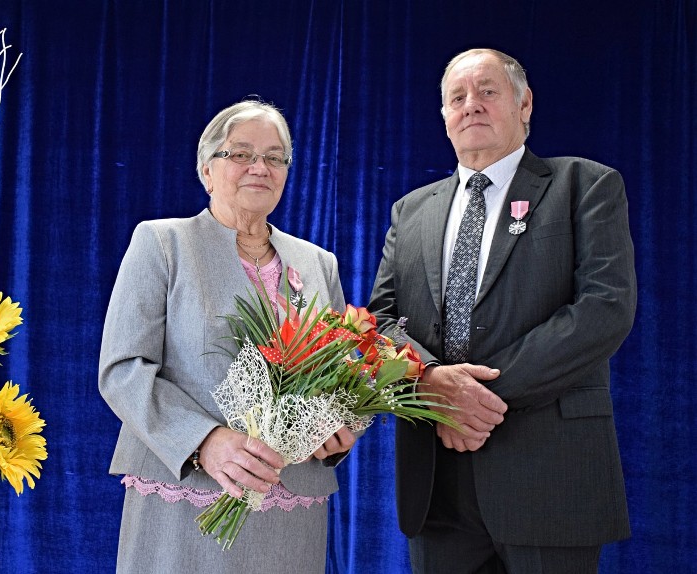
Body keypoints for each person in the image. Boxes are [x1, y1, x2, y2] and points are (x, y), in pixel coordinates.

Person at [368, 48, 636, 573]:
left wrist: (471, 397)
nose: (471, 105)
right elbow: (380, 323)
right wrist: (429, 383)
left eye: (487, 91)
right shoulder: (411, 209)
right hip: (436, 487)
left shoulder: (585, 185)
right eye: (457, 97)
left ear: (524, 103)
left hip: (550, 479)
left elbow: (604, 308)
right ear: (444, 117)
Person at [99, 99, 356, 573]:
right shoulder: (162, 243)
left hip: (290, 507)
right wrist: (204, 441)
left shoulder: (320, 264)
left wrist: (339, 428)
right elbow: (123, 369)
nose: (260, 167)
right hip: (186, 499)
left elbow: (343, 377)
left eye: (275, 157)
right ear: (206, 170)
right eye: (241, 154)